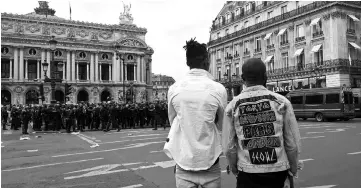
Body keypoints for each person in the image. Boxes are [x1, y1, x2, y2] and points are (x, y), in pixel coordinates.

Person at [222, 58, 302, 188]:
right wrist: (293, 168)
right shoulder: (281, 102)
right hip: (277, 171)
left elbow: (229, 146)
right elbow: (292, 142)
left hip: (247, 172)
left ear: (243, 78)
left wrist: (234, 168)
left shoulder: (232, 107)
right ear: (266, 76)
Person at [164, 38, 227, 188]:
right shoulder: (218, 89)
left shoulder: (174, 89)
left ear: (187, 63)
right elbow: (221, 125)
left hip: (184, 161)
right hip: (210, 161)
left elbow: (173, 121)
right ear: (206, 61)